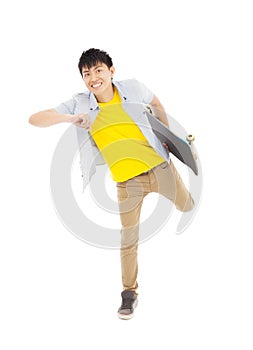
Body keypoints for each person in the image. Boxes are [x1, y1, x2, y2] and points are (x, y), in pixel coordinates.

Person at [29, 48, 194, 320]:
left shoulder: (133, 88)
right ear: (83, 79)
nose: (93, 77)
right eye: (87, 74)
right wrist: (71, 119)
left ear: (111, 71)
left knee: (187, 207)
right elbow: (35, 119)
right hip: (127, 183)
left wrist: (168, 136)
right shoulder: (80, 104)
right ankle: (129, 293)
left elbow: (158, 104)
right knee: (128, 240)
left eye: (98, 70)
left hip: (160, 168)